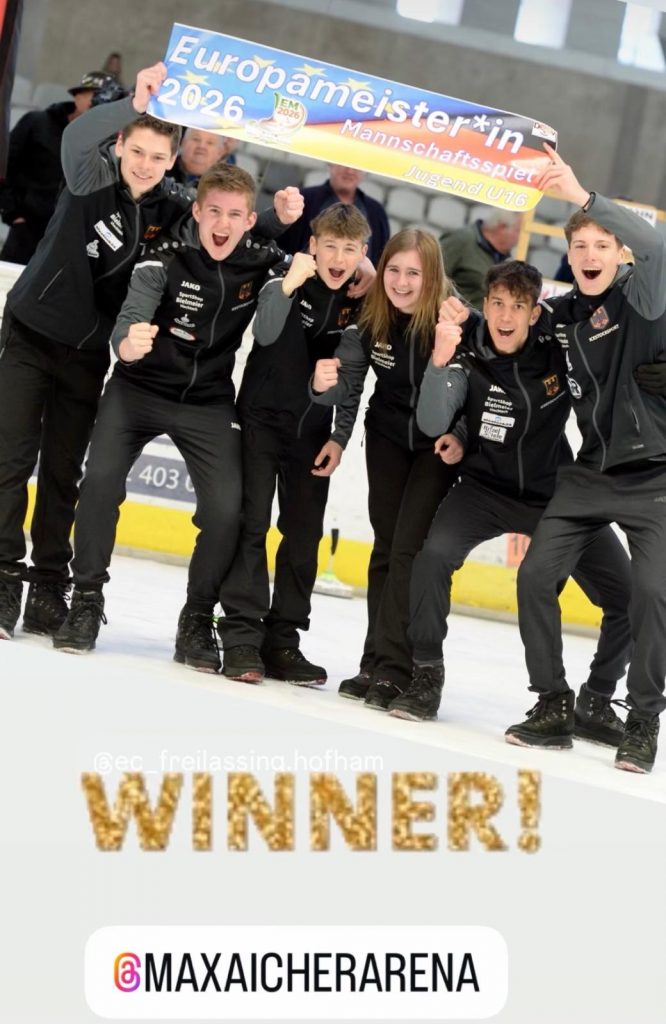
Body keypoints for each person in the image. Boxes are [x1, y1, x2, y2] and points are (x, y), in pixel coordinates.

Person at [385, 261, 632, 747]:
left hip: (554, 496)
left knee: (628, 597)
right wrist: (441, 366)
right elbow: (434, 420)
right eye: (497, 303)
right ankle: (427, 675)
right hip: (483, 489)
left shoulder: (556, 350)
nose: (505, 316)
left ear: (534, 313)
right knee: (432, 558)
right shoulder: (469, 344)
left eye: (518, 306)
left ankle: (596, 700)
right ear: (485, 304)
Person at [52, 164, 290, 670]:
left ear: (250, 220)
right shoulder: (163, 255)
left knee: (226, 508)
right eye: (213, 212)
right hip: (138, 388)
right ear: (197, 212)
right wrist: (127, 343)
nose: (222, 224)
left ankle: (197, 616)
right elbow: (129, 319)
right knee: (100, 481)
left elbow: (329, 270)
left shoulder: (265, 259)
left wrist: (361, 269)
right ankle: (87, 599)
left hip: (208, 401)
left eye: (235, 215)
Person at [507, 144, 666, 774]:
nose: (591, 254)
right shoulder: (563, 315)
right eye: (580, 246)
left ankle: (643, 721)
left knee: (651, 594)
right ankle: (554, 705)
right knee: (534, 578)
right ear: (568, 256)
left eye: (603, 244)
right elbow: (508, 340)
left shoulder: (643, 297)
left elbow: (658, 244)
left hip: (654, 474)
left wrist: (582, 197)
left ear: (620, 254)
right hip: (587, 474)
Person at [218, 203, 370, 685]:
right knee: (253, 524)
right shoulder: (283, 276)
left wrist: (340, 438)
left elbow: (353, 382)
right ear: (313, 246)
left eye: (350, 249)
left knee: (304, 536)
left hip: (312, 434)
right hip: (260, 422)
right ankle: (241, 634)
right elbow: (263, 332)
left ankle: (283, 639)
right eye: (331, 246)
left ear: (362, 253)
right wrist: (288, 283)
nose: (339, 258)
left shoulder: (362, 302)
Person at [311, 229, 461, 708]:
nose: (401, 281)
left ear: (431, 276)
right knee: (385, 548)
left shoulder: (454, 319)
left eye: (413, 272)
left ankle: (400, 669)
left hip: (437, 447)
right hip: (388, 438)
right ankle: (375, 661)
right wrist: (333, 420)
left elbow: (474, 391)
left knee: (407, 552)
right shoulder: (372, 317)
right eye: (393, 270)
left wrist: (462, 437)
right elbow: (350, 385)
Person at [0, 70, 112, 264]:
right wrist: (12, 212)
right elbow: (6, 165)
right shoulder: (37, 122)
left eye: (106, 100)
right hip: (25, 228)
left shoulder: (104, 144)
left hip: (65, 239)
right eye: (94, 96)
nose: (98, 103)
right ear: (77, 96)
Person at [278, 163, 390, 267]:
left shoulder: (376, 211)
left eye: (357, 165)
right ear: (330, 163)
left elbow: (381, 257)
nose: (350, 171)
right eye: (344, 163)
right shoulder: (302, 199)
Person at [440, 209, 521, 308]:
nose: (519, 239)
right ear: (502, 227)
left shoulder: (505, 260)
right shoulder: (461, 240)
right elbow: (434, 274)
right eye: (517, 231)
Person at [171, 127, 239, 191]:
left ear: (220, 152)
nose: (201, 146)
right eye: (196, 139)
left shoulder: (223, 187)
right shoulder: (165, 168)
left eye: (210, 143)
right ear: (182, 142)